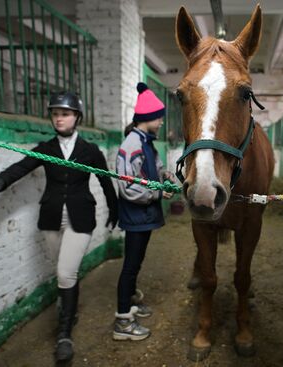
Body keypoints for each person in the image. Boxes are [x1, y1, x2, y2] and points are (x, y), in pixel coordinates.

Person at [0, 91, 118, 363]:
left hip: (80, 217)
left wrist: (114, 208)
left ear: (77, 117)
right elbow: (22, 166)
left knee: (65, 273)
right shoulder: (46, 148)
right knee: (63, 272)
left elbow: (105, 181)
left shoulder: (90, 151)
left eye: (64, 114)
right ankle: (69, 309)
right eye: (55, 114)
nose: (59, 119)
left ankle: (64, 333)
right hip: (51, 218)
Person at [113, 82, 175, 341]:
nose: (161, 122)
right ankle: (123, 322)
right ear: (147, 118)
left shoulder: (147, 143)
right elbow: (129, 189)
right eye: (158, 117)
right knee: (129, 266)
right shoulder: (131, 145)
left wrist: (166, 176)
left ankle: (130, 303)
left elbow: (156, 169)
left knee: (135, 263)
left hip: (145, 217)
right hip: (135, 216)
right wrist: (159, 193)